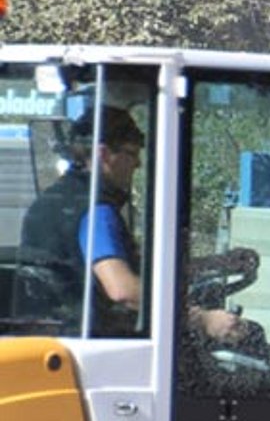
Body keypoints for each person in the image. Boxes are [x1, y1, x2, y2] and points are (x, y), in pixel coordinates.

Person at [20, 105, 241, 340]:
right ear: (104, 154)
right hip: (102, 341)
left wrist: (218, 263)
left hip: (69, 333)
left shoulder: (53, 200)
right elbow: (122, 289)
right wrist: (203, 319)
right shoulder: (96, 211)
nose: (138, 164)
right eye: (132, 153)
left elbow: (138, 269)